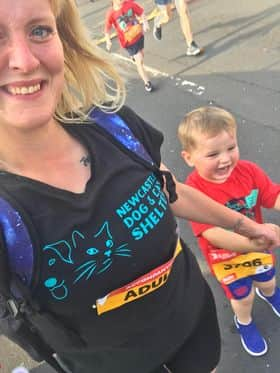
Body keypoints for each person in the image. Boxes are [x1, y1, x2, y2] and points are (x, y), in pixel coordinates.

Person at [0, 1, 279, 372]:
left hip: (194, 329)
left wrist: (246, 226)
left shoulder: (114, 129)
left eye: (39, 31)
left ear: (63, 40)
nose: (25, 60)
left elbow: (170, 189)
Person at [178, 106, 280, 357]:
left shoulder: (248, 171)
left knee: (268, 279)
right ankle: (243, 322)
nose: (225, 159)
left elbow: (272, 195)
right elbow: (212, 232)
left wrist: (258, 242)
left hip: (260, 245)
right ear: (189, 157)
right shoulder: (194, 191)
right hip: (226, 259)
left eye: (231, 148)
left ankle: (271, 295)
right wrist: (253, 243)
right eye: (213, 153)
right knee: (243, 297)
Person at [104, 0, 153, 92]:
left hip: (138, 35)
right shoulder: (111, 13)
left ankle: (133, 56)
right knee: (140, 61)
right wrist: (108, 41)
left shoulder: (129, 4)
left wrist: (145, 23)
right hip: (128, 42)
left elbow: (141, 12)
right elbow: (107, 28)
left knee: (141, 55)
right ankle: (147, 82)